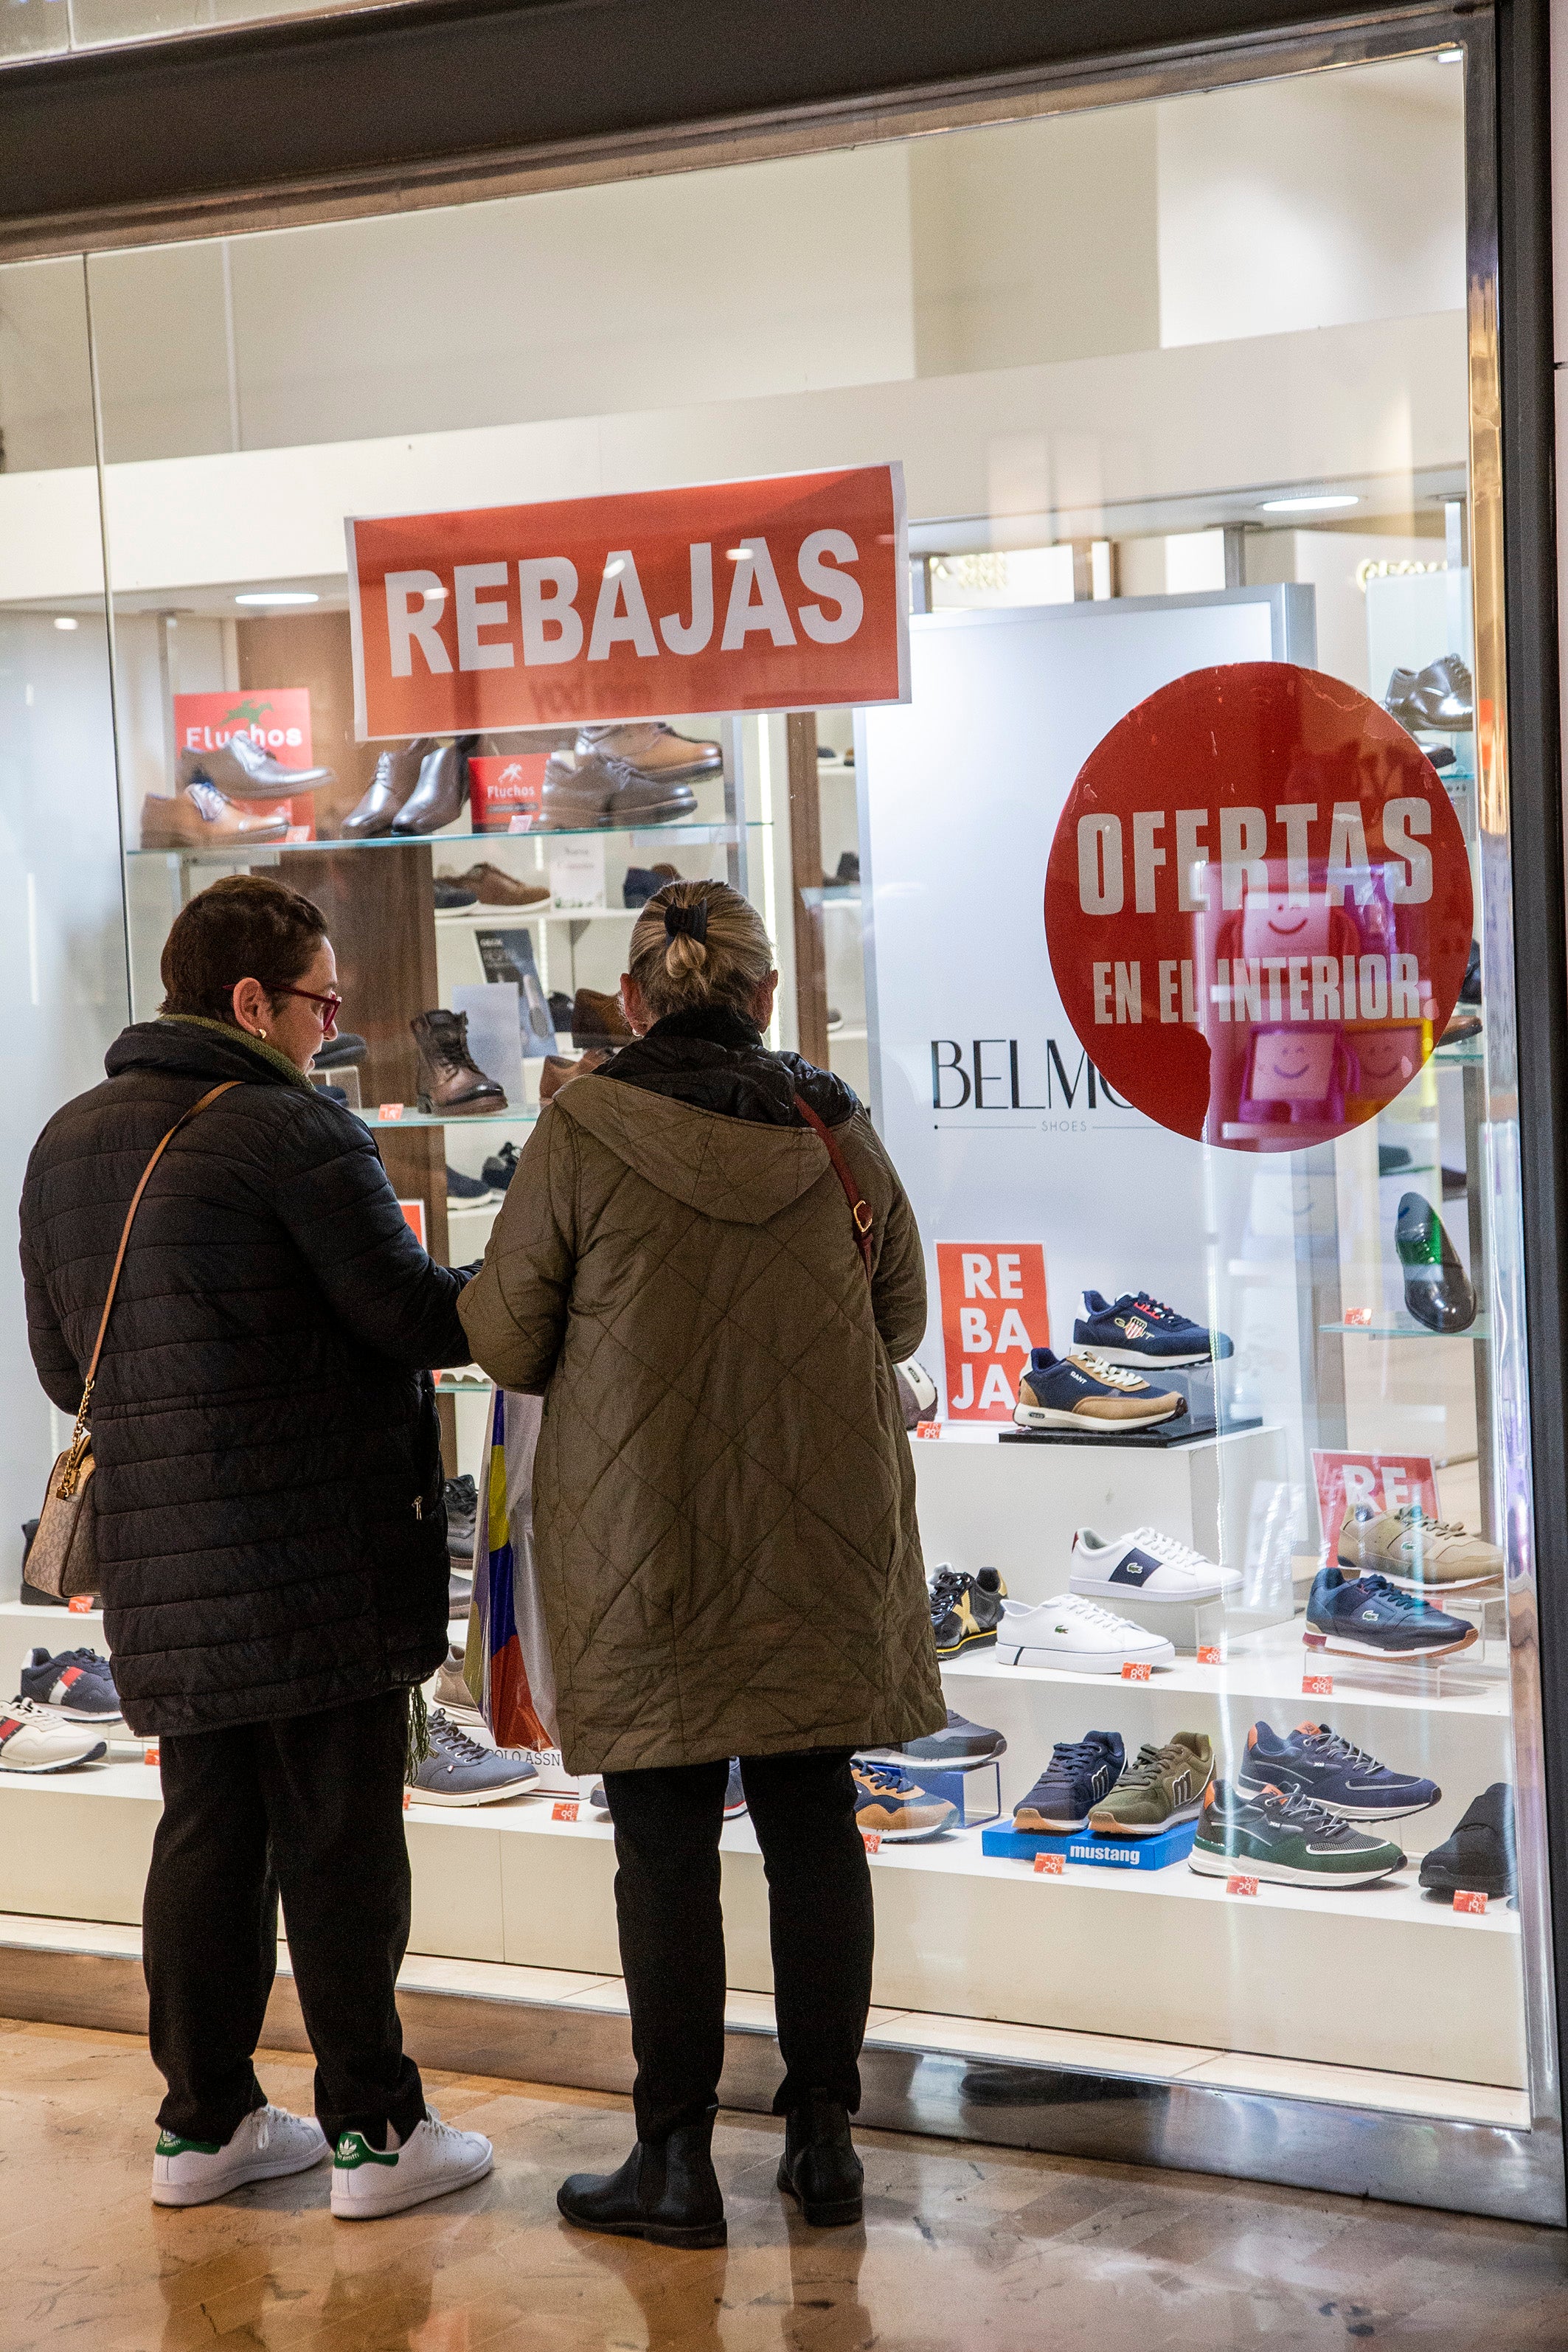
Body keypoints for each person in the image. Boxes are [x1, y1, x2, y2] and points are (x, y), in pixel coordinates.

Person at [459, 878, 943, 2247]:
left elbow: (503, 1338)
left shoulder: (580, 1130)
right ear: (766, 995)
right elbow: (898, 1316)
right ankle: (825, 2142)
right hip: (820, 1541)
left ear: (631, 998)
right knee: (813, 1833)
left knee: (662, 1853)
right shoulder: (837, 1130)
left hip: (643, 1544)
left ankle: (672, 2161)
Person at [19, 873, 493, 2221]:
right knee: (340, 1845)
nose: (331, 1026)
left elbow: (68, 1365)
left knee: (205, 1839)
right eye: (321, 1002)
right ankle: (373, 2131)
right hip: (315, 1557)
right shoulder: (295, 1131)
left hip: (165, 1570)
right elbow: (413, 1320)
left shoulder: (65, 1142)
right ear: (249, 1000)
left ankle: (203, 2123)